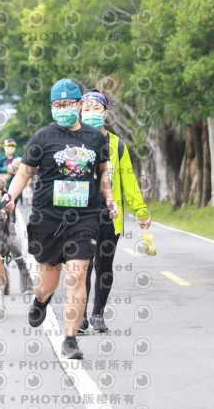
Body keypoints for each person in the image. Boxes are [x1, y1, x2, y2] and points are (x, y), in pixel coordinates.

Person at [2, 78, 118, 359]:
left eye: (68, 104)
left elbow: (103, 173)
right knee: (47, 285)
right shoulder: (43, 137)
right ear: (52, 107)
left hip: (85, 216)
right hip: (48, 218)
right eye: (57, 105)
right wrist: (9, 197)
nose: (63, 108)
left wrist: (110, 199)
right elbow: (24, 172)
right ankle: (41, 301)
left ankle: (70, 338)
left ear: (79, 104)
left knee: (77, 275)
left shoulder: (96, 138)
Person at [78, 89, 152, 334]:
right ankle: (80, 316)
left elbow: (129, 182)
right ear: (79, 111)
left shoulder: (116, 145)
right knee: (83, 267)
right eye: (86, 109)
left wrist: (140, 210)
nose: (91, 113)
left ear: (105, 114)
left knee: (104, 267)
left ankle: (97, 314)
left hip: (110, 217)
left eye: (96, 109)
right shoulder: (73, 142)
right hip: (80, 216)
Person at [0, 138, 22, 206]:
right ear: (4, 147)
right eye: (9, 146)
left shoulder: (18, 159)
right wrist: (7, 171)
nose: (11, 148)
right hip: (2, 186)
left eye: (12, 146)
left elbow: (20, 173)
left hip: (14, 186)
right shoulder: (0, 157)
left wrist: (10, 175)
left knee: (12, 207)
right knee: (2, 206)